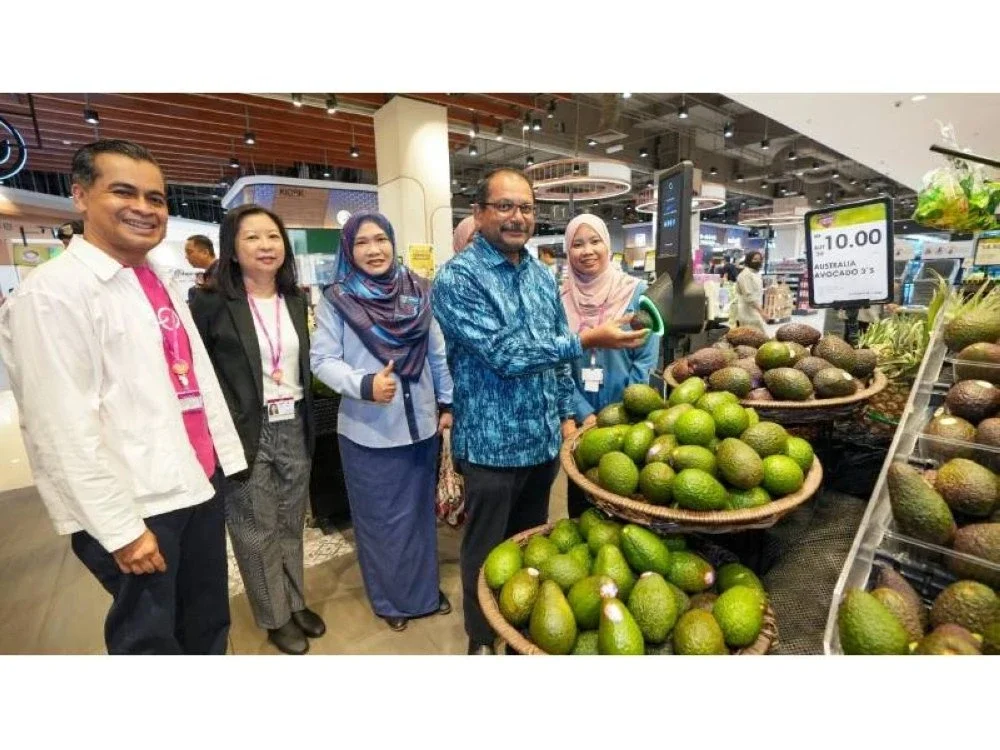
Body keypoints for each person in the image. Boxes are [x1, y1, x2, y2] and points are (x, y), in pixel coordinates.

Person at [0, 139, 247, 654]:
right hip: (139, 505)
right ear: (80, 196)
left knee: (206, 628)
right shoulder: (53, 294)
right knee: (150, 644)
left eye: (155, 198)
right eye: (123, 192)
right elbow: (60, 427)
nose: (144, 208)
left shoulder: (152, 280)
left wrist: (222, 467)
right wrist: (120, 530)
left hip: (195, 484)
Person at [431, 168, 647, 655]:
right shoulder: (457, 278)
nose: (517, 217)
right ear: (481, 213)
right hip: (489, 448)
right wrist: (587, 337)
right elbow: (506, 353)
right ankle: (482, 640)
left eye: (526, 208)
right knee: (485, 555)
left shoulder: (538, 275)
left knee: (531, 551)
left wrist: (567, 415)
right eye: (505, 206)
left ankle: (518, 635)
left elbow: (557, 361)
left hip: (541, 444)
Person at [189, 204, 323, 655]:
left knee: (290, 522)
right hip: (244, 430)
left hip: (294, 420)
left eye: (273, 236)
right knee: (253, 528)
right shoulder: (208, 303)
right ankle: (274, 615)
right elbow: (202, 375)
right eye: (253, 238)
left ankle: (296, 601)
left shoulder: (295, 298)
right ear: (232, 246)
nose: (266, 246)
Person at [312, 212, 454, 633]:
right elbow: (321, 360)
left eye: (380, 240)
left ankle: (423, 591)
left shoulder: (419, 292)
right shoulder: (337, 299)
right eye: (361, 243)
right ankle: (391, 598)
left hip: (420, 427)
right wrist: (363, 383)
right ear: (348, 251)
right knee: (381, 523)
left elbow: (436, 355)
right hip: (369, 432)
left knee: (418, 518)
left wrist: (447, 403)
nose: (373, 250)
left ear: (393, 243)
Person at [560, 214, 661, 518]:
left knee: (627, 497)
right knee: (582, 506)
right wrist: (579, 412)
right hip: (580, 421)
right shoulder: (558, 298)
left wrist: (625, 408)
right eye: (577, 244)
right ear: (568, 251)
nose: (587, 250)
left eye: (595, 241)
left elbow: (646, 357)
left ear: (608, 245)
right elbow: (558, 362)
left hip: (627, 416)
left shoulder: (638, 293)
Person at [735, 250, 767, 330]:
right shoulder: (745, 275)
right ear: (749, 260)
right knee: (753, 336)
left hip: (755, 310)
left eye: (759, 259)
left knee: (757, 337)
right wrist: (761, 312)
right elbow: (749, 296)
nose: (758, 261)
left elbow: (756, 292)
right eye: (755, 259)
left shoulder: (756, 274)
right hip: (747, 312)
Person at [185, 234, 217, 301]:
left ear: (205, 253)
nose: (186, 257)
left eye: (189, 252)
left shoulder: (219, 274)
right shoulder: (212, 273)